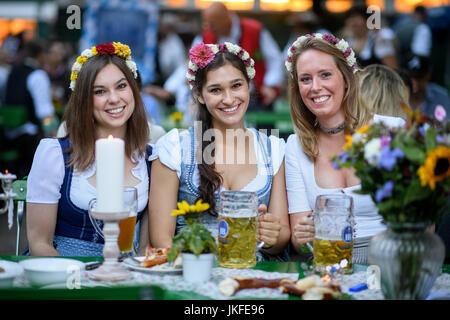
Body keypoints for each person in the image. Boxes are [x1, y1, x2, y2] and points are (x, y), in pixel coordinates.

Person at [148, 42, 290, 261]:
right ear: (200, 95)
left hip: (250, 277)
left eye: (236, 86)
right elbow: (161, 240)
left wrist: (271, 236)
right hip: (192, 275)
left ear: (249, 86)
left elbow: (280, 240)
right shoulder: (175, 147)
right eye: (216, 90)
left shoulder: (273, 148)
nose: (229, 99)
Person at [284, 33, 405, 263]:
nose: (315, 87)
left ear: (347, 78)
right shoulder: (295, 146)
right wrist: (303, 236)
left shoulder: (391, 130)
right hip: (326, 265)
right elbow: (300, 244)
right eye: (305, 79)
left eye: (326, 75)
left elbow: (421, 219)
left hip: (389, 261)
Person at [25, 42, 152, 256]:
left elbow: (144, 251)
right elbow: (40, 244)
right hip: (63, 273)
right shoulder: (56, 154)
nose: (114, 99)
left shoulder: (149, 158)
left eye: (121, 86)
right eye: (100, 91)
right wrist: (81, 281)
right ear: (84, 100)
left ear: (133, 90)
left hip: (123, 276)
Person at [192, 2, 284, 113]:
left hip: (259, 98)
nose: (210, 27)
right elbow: (191, 65)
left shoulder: (255, 29)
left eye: (213, 23)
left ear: (227, 16)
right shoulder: (205, 36)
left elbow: (274, 59)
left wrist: (270, 84)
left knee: (265, 130)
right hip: (222, 100)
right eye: (207, 23)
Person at [2, 40, 56, 178]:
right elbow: (45, 113)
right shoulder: (38, 75)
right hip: (30, 138)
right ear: (42, 55)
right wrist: (54, 135)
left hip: (7, 135)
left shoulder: (12, 71)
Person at [341, 5, 398, 69]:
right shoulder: (349, 41)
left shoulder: (379, 38)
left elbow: (393, 68)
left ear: (367, 20)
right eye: (349, 19)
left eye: (356, 18)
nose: (352, 23)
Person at [407, 55, 450, 120]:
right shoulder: (398, 96)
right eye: (411, 77)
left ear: (428, 75)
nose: (415, 82)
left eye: (419, 77)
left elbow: (448, 123)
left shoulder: (441, 96)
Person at [395, 5, 432, 69]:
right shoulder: (423, 28)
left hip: (400, 59)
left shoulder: (402, 23)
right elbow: (421, 52)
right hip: (413, 62)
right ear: (423, 15)